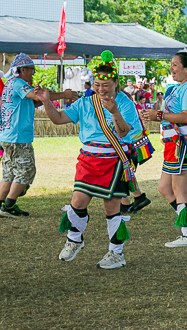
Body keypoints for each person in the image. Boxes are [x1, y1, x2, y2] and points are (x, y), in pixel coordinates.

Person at [38, 51, 143, 269]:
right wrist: (46, 101)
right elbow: (58, 119)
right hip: (88, 158)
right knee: (77, 201)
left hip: (114, 158)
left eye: (106, 84)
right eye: (97, 84)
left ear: (115, 82)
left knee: (111, 207)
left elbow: (123, 133)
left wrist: (114, 111)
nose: (101, 89)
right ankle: (74, 240)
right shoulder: (86, 102)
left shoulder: (125, 104)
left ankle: (116, 253)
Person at [140, 51, 187, 247]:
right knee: (164, 188)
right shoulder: (182, 87)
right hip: (174, 144)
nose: (172, 68)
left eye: (176, 65)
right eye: (171, 65)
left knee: (179, 190)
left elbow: (186, 116)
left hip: (182, 145)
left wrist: (158, 115)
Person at [0, 54, 75, 218]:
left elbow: (34, 102)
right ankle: (8, 206)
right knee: (26, 170)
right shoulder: (19, 83)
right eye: (31, 70)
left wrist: (46, 97)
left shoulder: (11, 84)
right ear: (22, 69)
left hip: (8, 135)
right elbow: (40, 97)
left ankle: (1, 204)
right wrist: (64, 95)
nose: (33, 73)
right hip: (18, 137)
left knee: (10, 172)